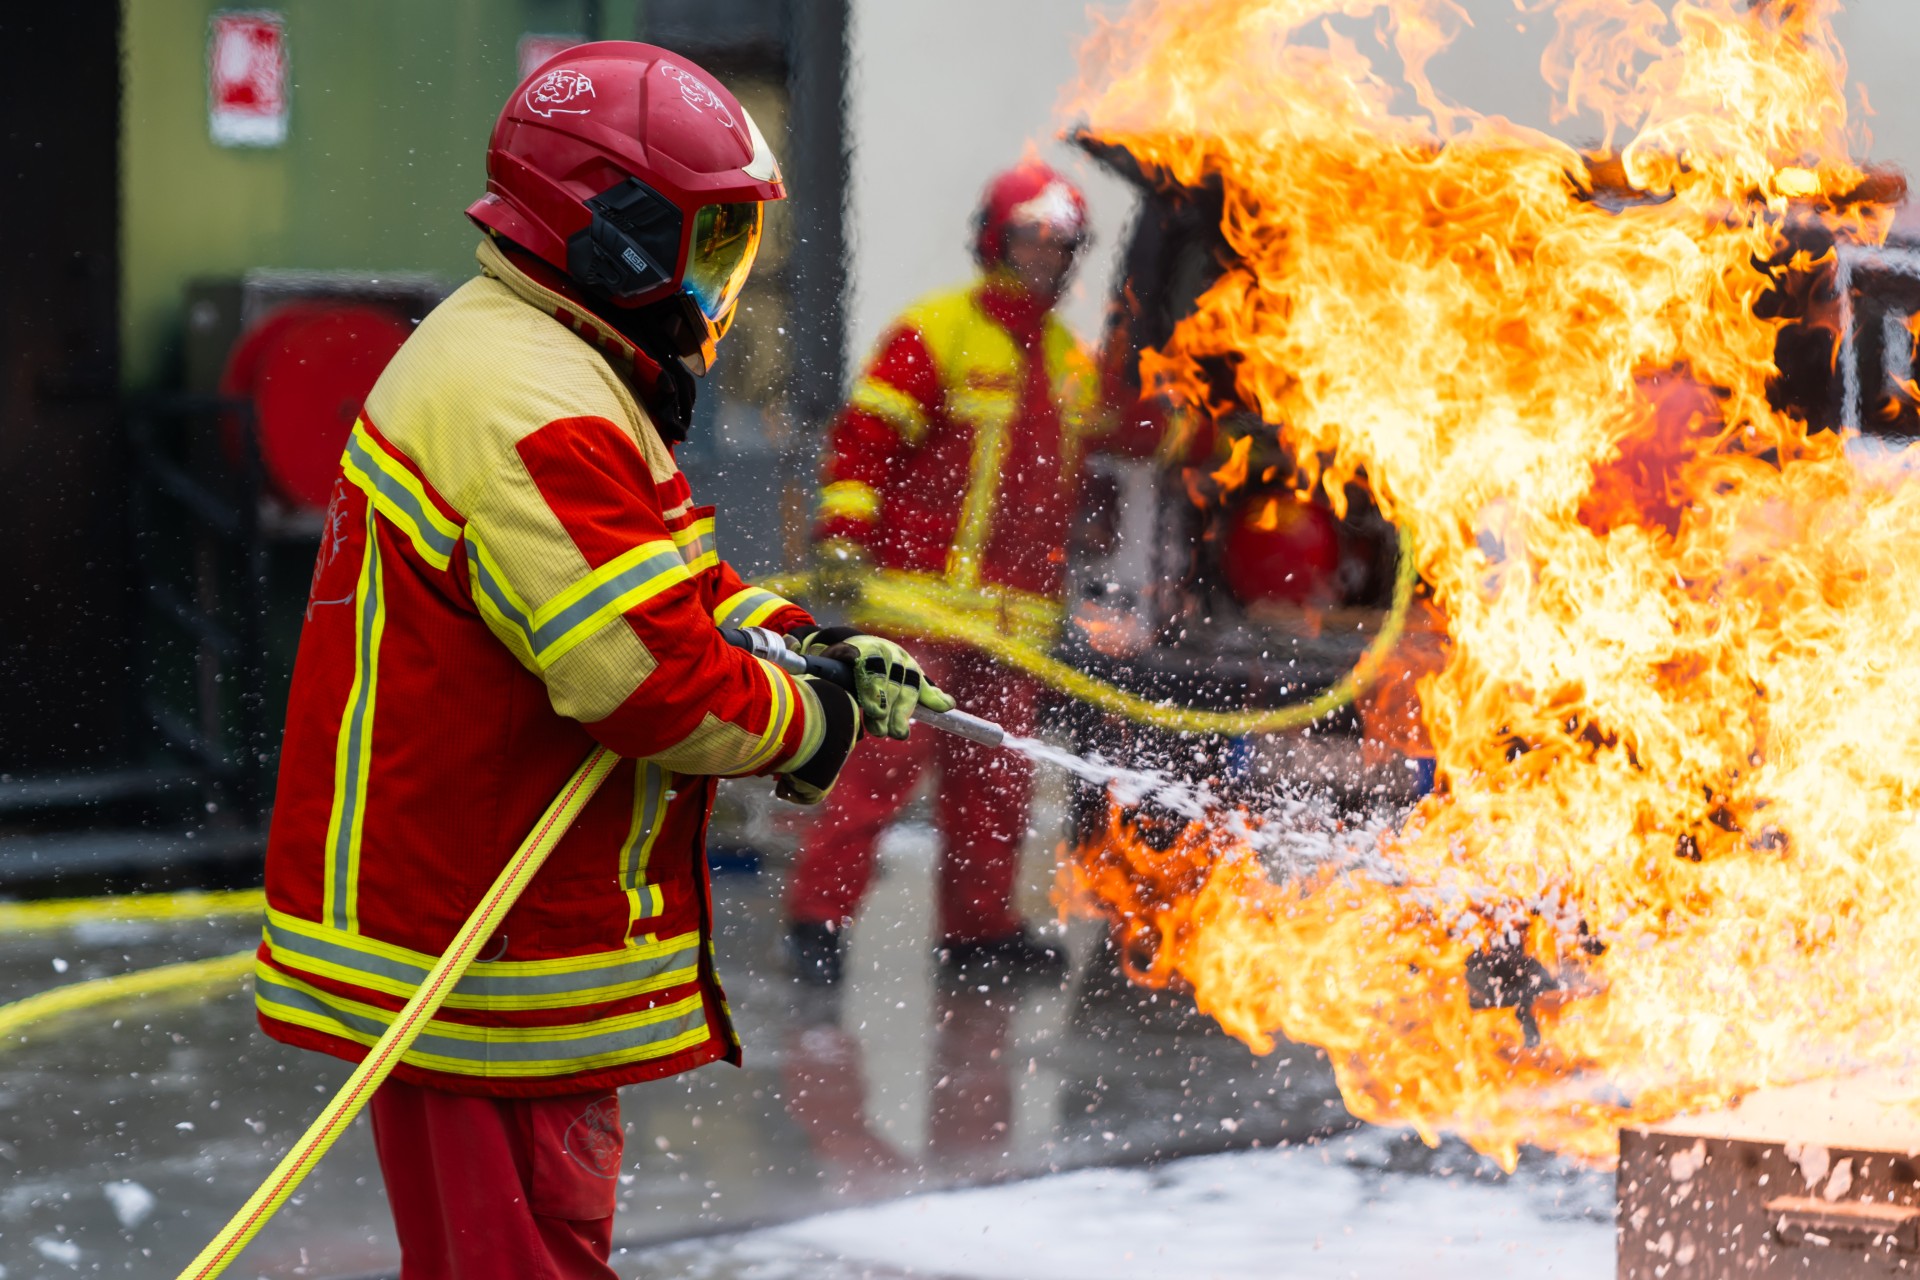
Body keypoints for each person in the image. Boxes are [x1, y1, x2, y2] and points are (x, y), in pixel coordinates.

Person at [252, 43, 946, 1279]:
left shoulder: (542, 352)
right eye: (710, 240)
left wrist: (804, 646)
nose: (728, 279)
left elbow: (656, 587)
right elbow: (649, 680)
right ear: (614, 233)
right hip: (478, 938)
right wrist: (817, 723)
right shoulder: (537, 401)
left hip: (498, 925)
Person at [785, 159, 1158, 985]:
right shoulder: (937, 330)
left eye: (1064, 246)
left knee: (997, 785)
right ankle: (818, 923)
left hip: (1010, 627)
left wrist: (1227, 419)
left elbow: (1127, 433)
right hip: (915, 613)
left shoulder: (1067, 360)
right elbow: (865, 440)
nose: (1049, 260)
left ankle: (978, 933)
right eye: (1034, 240)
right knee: (877, 772)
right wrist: (843, 536)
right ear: (996, 239)